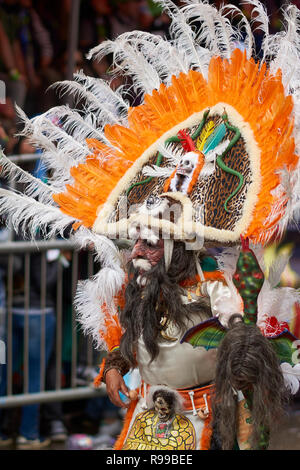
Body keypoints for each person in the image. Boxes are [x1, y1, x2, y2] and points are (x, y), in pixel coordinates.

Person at [0, 0, 299, 450]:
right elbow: (128, 334)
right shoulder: (140, 286)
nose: (138, 249)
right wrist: (116, 366)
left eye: (150, 243)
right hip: (146, 420)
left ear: (178, 247)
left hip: (202, 424)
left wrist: (248, 381)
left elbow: (241, 335)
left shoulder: (212, 283)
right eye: (138, 240)